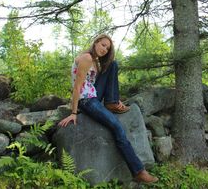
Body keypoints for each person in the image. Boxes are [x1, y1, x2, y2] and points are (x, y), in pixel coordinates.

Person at [58, 34, 158, 184]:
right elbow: (77, 86)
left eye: (108, 48)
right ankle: (138, 171)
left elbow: (96, 84)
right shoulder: (86, 58)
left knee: (113, 64)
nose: (105, 49)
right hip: (86, 101)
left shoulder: (95, 62)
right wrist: (74, 112)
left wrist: (112, 97)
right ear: (96, 42)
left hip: (94, 96)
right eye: (103, 45)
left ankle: (111, 102)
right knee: (117, 126)